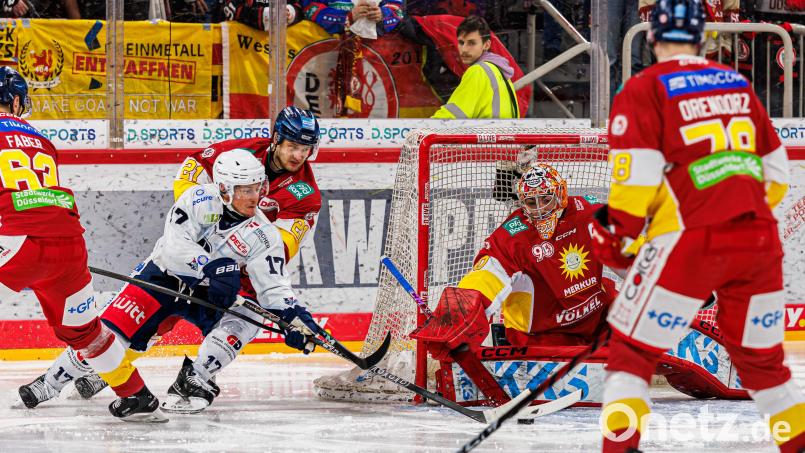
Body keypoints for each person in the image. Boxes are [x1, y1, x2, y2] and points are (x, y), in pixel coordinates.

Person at [589, 0, 804, 451]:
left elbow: (638, 182)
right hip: (759, 243)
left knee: (631, 354)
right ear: (705, 37)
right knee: (764, 368)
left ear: (650, 36)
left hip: (690, 241)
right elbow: (778, 175)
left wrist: (618, 238)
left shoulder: (646, 88)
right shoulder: (738, 85)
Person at [19, 150, 321, 417]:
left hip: (208, 293)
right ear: (225, 190)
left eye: (258, 188)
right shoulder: (198, 199)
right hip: (162, 277)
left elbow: (273, 289)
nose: (254, 197)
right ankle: (51, 381)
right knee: (110, 332)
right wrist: (210, 265)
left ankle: (195, 378)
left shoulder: (264, 235)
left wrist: (295, 319)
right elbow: (175, 250)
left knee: (251, 315)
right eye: (245, 190)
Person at [0, 66, 155, 421]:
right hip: (69, 244)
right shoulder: (41, 139)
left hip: (17, 242)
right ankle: (137, 396)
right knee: (85, 332)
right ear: (17, 101)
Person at [410, 163, 616, 403]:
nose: (539, 209)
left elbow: (635, 248)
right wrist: (455, 314)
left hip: (598, 325)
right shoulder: (512, 237)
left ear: (560, 195)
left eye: (545, 199)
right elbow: (484, 277)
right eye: (531, 202)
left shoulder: (590, 213)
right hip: (542, 342)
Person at [431, 15, 519, 119]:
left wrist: (421, 130)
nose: (464, 49)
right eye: (461, 43)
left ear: (486, 45)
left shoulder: (478, 71)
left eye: (471, 43)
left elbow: (449, 118)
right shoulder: (499, 71)